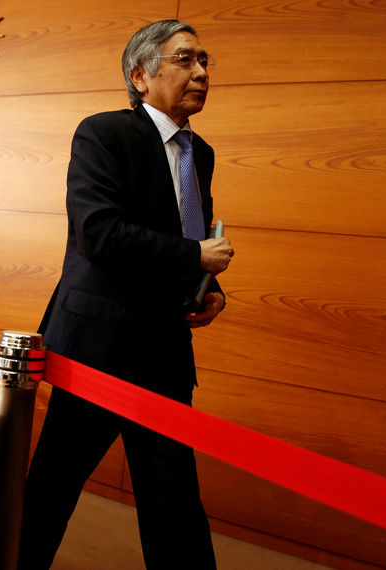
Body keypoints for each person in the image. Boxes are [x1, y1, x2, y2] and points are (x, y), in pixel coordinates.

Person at [18, 19, 234, 569]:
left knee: (176, 505)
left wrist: (208, 289)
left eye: (205, 61)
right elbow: (99, 233)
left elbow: (188, 234)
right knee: (49, 495)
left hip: (164, 351)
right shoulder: (103, 132)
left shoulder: (199, 152)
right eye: (186, 60)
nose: (202, 72)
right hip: (96, 348)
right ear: (141, 76)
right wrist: (192, 258)